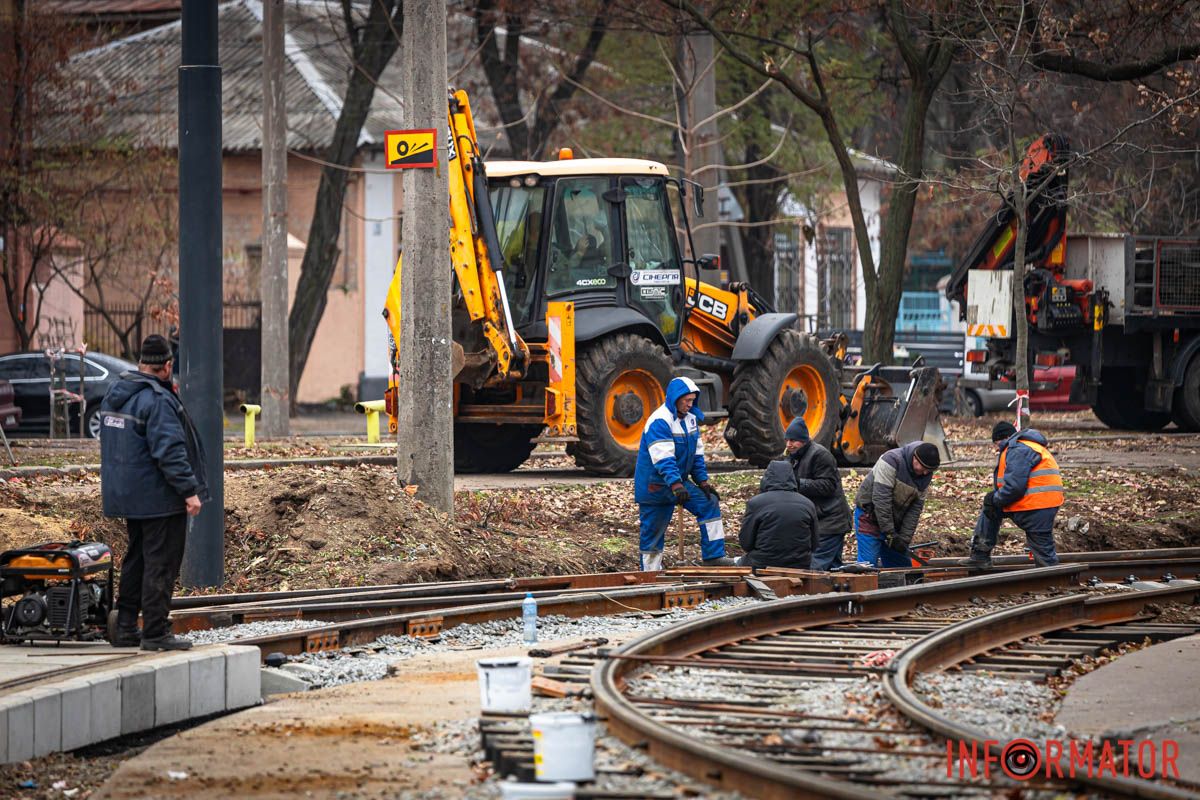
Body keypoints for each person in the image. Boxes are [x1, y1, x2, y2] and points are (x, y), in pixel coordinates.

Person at [100, 334, 209, 651]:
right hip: (158, 497)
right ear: (167, 366)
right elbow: (170, 452)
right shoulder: (157, 401)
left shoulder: (117, 394)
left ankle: (125, 627)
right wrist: (188, 491)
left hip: (128, 494)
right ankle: (156, 632)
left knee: (136, 559)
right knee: (161, 563)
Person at [634, 376, 730, 570]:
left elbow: (697, 454)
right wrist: (676, 485)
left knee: (708, 503)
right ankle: (650, 574)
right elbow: (663, 458)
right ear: (675, 398)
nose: (689, 404)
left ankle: (714, 556)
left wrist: (702, 482)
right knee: (653, 533)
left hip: (677, 483)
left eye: (692, 400)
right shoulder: (660, 421)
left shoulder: (691, 419)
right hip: (656, 487)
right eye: (686, 400)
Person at [960, 421, 1063, 568]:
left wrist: (995, 498)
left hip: (1035, 505)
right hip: (1045, 503)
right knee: (991, 508)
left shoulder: (1016, 449)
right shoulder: (1031, 446)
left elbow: (1015, 487)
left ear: (1004, 437)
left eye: (997, 444)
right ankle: (980, 556)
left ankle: (1052, 579)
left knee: (1044, 553)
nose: (997, 448)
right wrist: (994, 500)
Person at [853, 441, 940, 567]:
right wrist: (890, 533)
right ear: (915, 458)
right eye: (924, 468)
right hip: (869, 516)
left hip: (893, 522)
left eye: (929, 470)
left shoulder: (925, 473)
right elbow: (881, 498)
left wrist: (903, 539)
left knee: (901, 567)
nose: (926, 473)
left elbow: (914, 509)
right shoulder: (891, 460)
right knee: (868, 566)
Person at [783, 418, 851, 570]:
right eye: (787, 440)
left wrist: (799, 483)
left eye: (793, 440)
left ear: (804, 440)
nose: (789, 444)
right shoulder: (794, 456)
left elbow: (828, 486)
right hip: (819, 519)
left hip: (831, 521)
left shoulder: (820, 455)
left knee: (815, 567)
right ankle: (837, 592)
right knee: (833, 568)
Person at [736, 460, 817, 569]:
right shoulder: (808, 504)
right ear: (793, 478)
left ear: (767, 477)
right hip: (799, 564)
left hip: (762, 563)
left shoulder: (756, 503)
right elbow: (815, 543)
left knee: (738, 563)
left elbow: (746, 543)